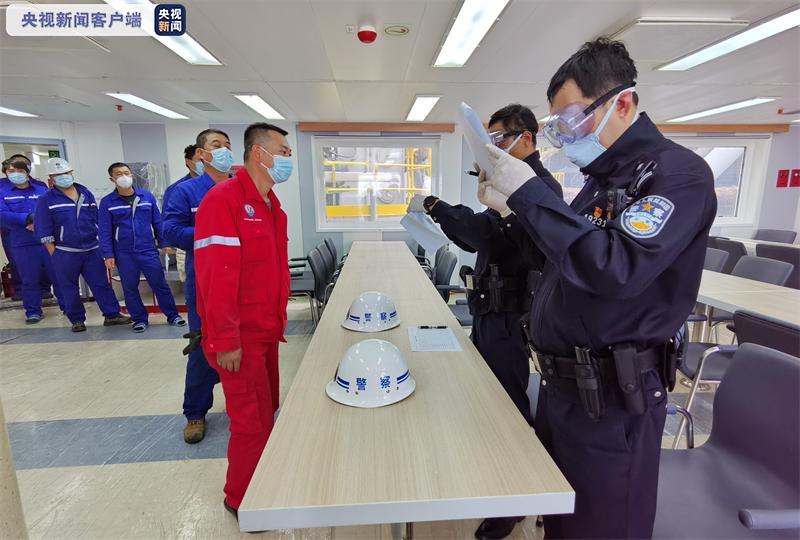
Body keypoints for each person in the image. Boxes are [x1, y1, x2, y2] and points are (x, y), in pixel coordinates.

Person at [478, 38, 716, 539]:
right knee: (561, 525)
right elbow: (569, 259)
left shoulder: (676, 174)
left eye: (572, 119)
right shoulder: (599, 181)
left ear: (622, 103)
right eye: (558, 125)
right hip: (565, 388)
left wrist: (529, 194)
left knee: (601, 527)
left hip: (613, 397)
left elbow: (617, 268)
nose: (566, 136)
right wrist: (515, 211)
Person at [408, 104, 563, 540]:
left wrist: (439, 205)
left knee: (507, 409)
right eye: (487, 140)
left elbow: (502, 237)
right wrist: (440, 213)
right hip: (489, 309)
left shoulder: (537, 186)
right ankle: (499, 484)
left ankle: (515, 499)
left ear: (526, 138)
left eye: (499, 140)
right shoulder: (507, 181)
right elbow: (479, 236)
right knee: (490, 402)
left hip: (511, 314)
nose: (492, 148)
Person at [194, 122, 291, 521]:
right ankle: (242, 500)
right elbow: (216, 277)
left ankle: (261, 481)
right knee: (250, 421)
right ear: (258, 153)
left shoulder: (272, 205)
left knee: (266, 412)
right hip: (239, 337)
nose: (287, 159)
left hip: (266, 331)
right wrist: (225, 339)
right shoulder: (224, 200)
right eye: (283, 151)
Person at [163, 130, 233, 444]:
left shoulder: (241, 188)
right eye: (216, 145)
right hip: (205, 281)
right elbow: (170, 230)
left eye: (228, 146)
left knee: (241, 346)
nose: (224, 150)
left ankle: (240, 404)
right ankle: (195, 412)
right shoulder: (185, 191)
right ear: (201, 154)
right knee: (204, 347)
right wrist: (214, 233)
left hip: (240, 282)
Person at [34, 158, 131, 332]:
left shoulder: (85, 193)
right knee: (69, 287)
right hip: (65, 251)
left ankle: (112, 315)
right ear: (51, 178)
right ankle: (77, 319)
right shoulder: (46, 199)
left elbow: (97, 219)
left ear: (71, 173)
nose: (64, 177)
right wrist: (54, 253)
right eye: (59, 175)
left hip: (92, 249)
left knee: (101, 284)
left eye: (66, 173)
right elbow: (43, 228)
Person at [98, 162, 186, 333]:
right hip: (124, 252)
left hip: (147, 250)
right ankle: (139, 319)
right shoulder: (108, 202)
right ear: (112, 179)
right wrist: (108, 254)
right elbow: (104, 230)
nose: (124, 176)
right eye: (118, 174)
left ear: (131, 175)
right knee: (130, 288)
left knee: (159, 284)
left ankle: (172, 315)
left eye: (126, 172)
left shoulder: (146, 196)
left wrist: (164, 243)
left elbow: (157, 222)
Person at [0, 158, 63, 322]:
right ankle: (33, 311)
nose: (16, 174)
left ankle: (68, 306)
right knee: (29, 279)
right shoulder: (3, 192)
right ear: (6, 173)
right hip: (22, 243)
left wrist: (38, 221)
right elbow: (2, 215)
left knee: (58, 275)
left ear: (27, 172)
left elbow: (53, 209)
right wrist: (27, 218)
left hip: (47, 240)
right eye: (11, 171)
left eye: (20, 171)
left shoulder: (42, 189)